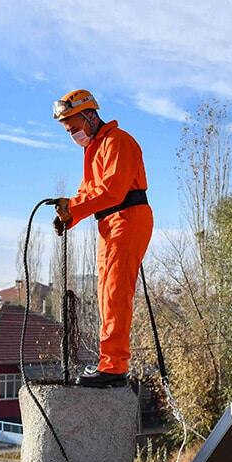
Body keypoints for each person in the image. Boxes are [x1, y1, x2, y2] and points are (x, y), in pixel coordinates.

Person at [51, 89, 153, 388]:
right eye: (68, 131)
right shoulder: (94, 149)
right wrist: (68, 216)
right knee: (106, 294)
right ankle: (109, 363)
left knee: (116, 293)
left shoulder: (117, 141)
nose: (72, 134)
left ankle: (114, 367)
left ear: (90, 115)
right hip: (109, 223)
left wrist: (74, 209)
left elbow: (112, 191)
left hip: (128, 217)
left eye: (73, 127)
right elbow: (88, 193)